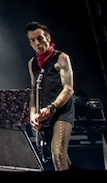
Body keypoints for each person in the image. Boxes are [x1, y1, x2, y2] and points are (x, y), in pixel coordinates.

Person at [25, 20, 75, 171]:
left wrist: (51, 108)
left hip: (61, 112)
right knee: (62, 158)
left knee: (58, 153)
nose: (36, 43)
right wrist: (32, 113)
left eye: (40, 38)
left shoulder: (61, 58)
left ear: (48, 38)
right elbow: (34, 90)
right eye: (32, 40)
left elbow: (68, 89)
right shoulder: (32, 63)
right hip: (43, 115)